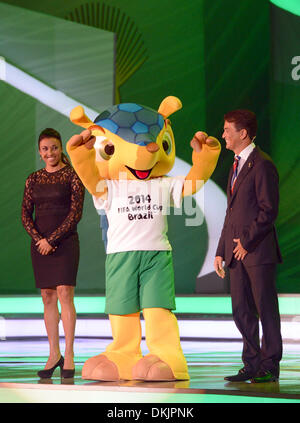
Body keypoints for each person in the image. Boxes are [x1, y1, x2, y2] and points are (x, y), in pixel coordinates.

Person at [214, 110, 282, 383]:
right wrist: (221, 249)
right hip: (235, 252)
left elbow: (269, 210)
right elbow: (231, 213)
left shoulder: (262, 164)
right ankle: (251, 363)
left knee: (265, 308)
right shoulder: (236, 164)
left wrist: (247, 241)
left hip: (257, 251)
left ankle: (269, 364)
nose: (223, 135)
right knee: (241, 310)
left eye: (227, 130)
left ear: (243, 133)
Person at [21, 128, 85, 379]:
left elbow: (76, 214)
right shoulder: (33, 179)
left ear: (61, 149)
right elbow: (26, 214)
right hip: (40, 245)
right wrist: (40, 240)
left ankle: (69, 354)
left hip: (65, 241)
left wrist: (53, 239)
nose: (50, 153)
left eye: (54, 148)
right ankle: (53, 354)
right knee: (47, 296)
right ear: (40, 152)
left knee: (64, 293)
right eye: (45, 149)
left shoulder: (72, 176)